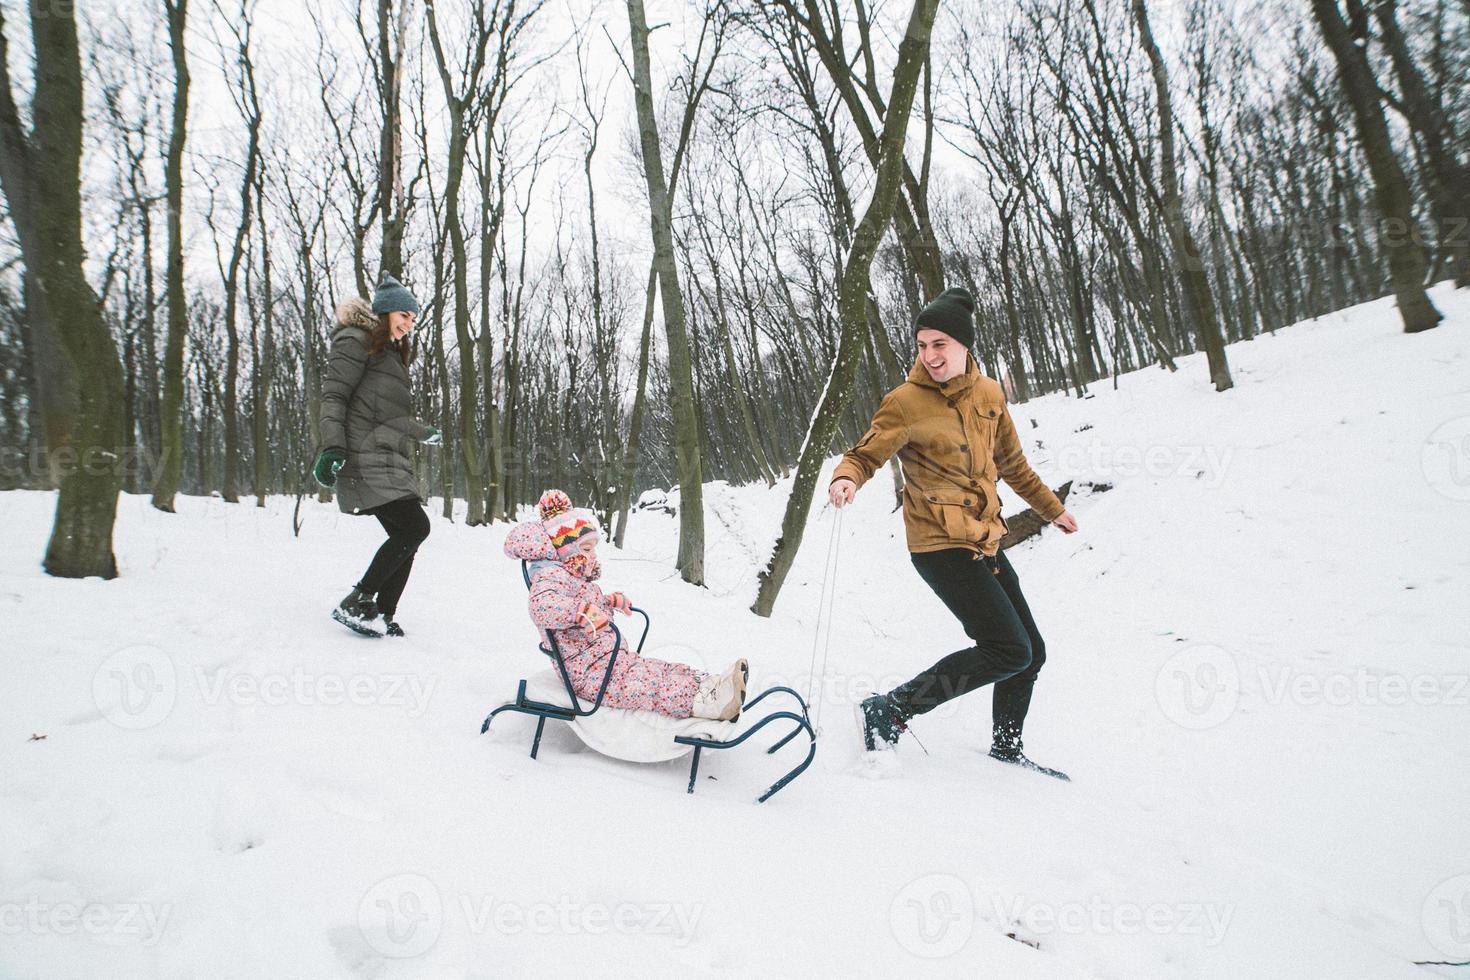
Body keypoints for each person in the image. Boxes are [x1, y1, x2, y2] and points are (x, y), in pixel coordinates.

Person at [828, 286, 1079, 779]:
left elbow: (1013, 464)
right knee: (1007, 649)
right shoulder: (905, 403)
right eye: (922, 345)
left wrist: (1052, 510)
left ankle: (1007, 747)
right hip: (938, 545)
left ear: (964, 345)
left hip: (983, 539)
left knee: (1030, 653)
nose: (930, 355)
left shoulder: (989, 395)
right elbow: (864, 454)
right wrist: (845, 478)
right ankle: (893, 708)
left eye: (940, 344)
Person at [504, 489, 748, 721]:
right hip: (588, 673)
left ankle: (712, 684)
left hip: (607, 659)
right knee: (650, 687)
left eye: (594, 549)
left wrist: (609, 601)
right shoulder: (550, 576)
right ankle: (706, 703)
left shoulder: (574, 577)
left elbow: (588, 604)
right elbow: (543, 606)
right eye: (587, 549)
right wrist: (581, 612)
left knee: (658, 669)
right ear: (567, 551)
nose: (593, 556)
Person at [313, 274, 441, 638]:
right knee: (415, 527)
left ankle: (381, 612)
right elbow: (335, 397)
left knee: (407, 535)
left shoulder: (389, 356)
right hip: (362, 454)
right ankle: (359, 599)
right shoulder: (356, 341)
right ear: (385, 312)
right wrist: (332, 448)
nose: (409, 324)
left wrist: (422, 431)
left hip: (387, 455)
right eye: (404, 314)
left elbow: (391, 416)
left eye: (414, 318)